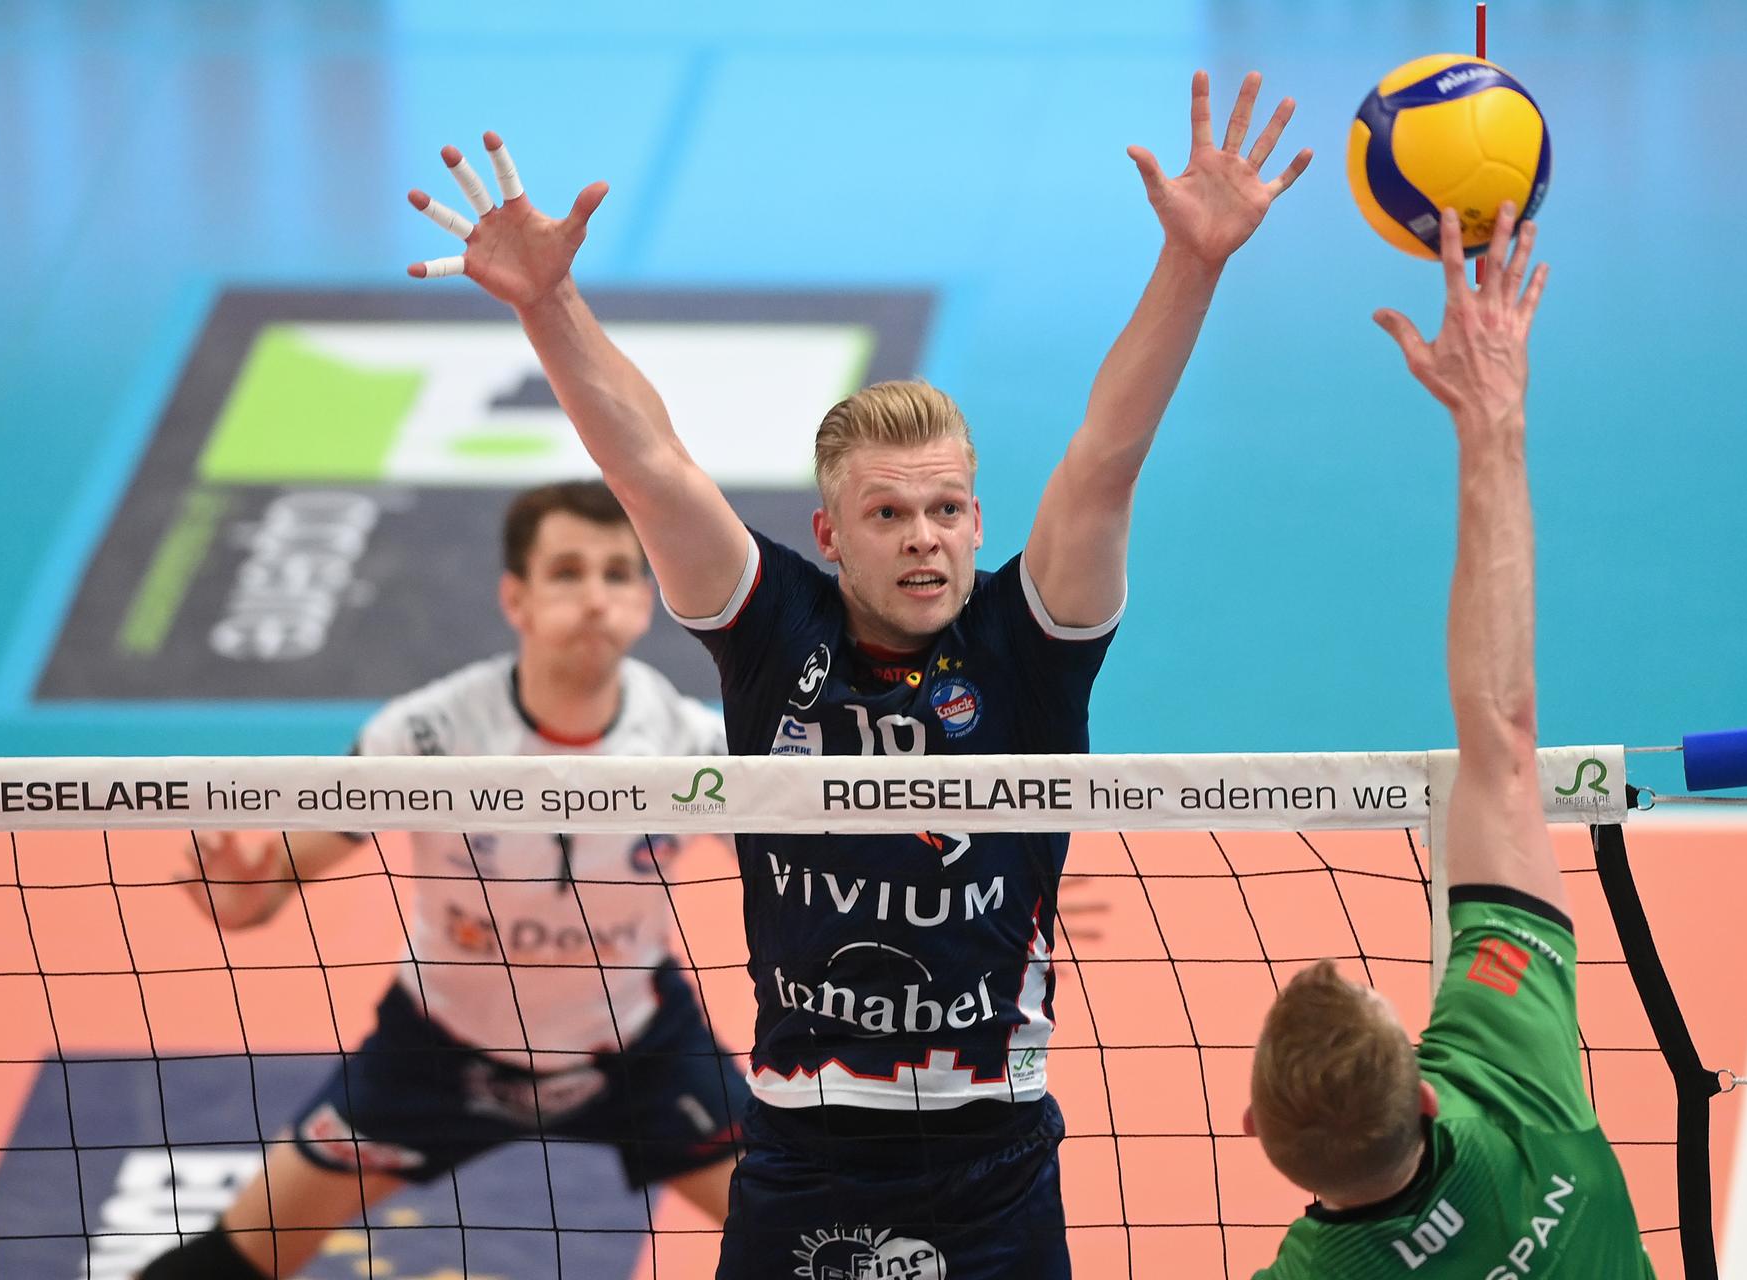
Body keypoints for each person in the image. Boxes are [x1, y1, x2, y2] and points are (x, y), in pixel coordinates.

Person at [401, 72, 1311, 1278]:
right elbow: (655, 470)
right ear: (831, 534)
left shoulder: (1026, 651)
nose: (923, 535)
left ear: (978, 519)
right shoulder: (777, 633)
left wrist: (1191, 265)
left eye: (946, 508)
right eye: (887, 512)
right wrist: (549, 303)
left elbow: (1103, 459)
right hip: (800, 1151)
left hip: (998, 1159)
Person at [140, 480, 743, 1280]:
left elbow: (807, 880)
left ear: (645, 597)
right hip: (436, 1048)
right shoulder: (427, 735)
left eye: (617, 573)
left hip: (638, 1047)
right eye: (566, 572)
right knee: (231, 1260)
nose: (596, 597)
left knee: (817, 1244)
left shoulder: (694, 747)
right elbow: (276, 879)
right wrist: (246, 893)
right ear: (516, 598)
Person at [1244, 205, 1656, 1276]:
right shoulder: (1510, 1076)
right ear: (1426, 1090)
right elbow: (1504, 738)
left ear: (1260, 1140)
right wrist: (1492, 419)